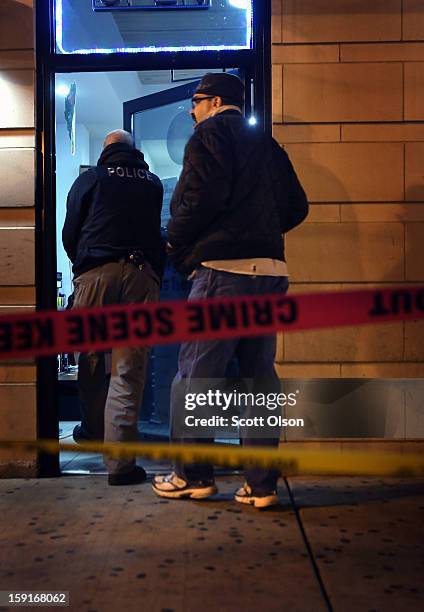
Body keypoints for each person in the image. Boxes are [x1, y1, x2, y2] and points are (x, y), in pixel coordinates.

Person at [152, 72, 308, 508]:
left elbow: (201, 197)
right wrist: (261, 233)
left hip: (222, 272)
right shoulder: (268, 145)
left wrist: (174, 239)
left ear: (216, 101)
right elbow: (298, 205)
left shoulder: (208, 135)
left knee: (197, 374)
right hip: (270, 272)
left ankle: (191, 475)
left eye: (197, 101)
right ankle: (260, 485)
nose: (192, 110)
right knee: (259, 378)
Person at [62, 129, 165, 486]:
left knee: (91, 358)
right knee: (128, 368)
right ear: (133, 150)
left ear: (107, 151)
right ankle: (120, 463)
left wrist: (86, 269)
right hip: (139, 276)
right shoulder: (152, 182)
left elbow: (70, 232)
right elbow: (157, 233)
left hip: (95, 276)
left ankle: (92, 431)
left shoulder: (90, 178)